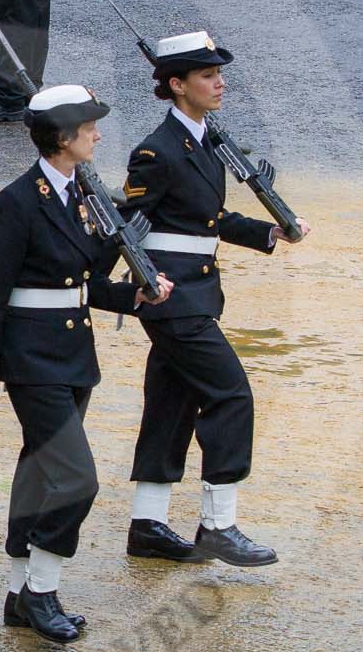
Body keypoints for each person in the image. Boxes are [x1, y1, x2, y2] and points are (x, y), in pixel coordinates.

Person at [0, 85, 171, 642]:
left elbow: (81, 281)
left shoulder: (84, 191)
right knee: (77, 480)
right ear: (63, 138)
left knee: (37, 474)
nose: (99, 136)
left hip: (73, 356)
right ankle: (42, 590)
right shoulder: (17, 201)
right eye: (89, 129)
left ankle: (17, 592)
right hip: (30, 361)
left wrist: (135, 296)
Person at [120, 30, 301, 565]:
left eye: (218, 74)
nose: (219, 83)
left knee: (172, 404)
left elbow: (208, 219)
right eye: (205, 76)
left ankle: (147, 525)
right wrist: (127, 286)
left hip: (196, 290)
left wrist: (269, 233)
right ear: (176, 85)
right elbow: (129, 226)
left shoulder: (201, 140)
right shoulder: (157, 150)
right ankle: (218, 524)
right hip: (172, 297)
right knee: (230, 395)